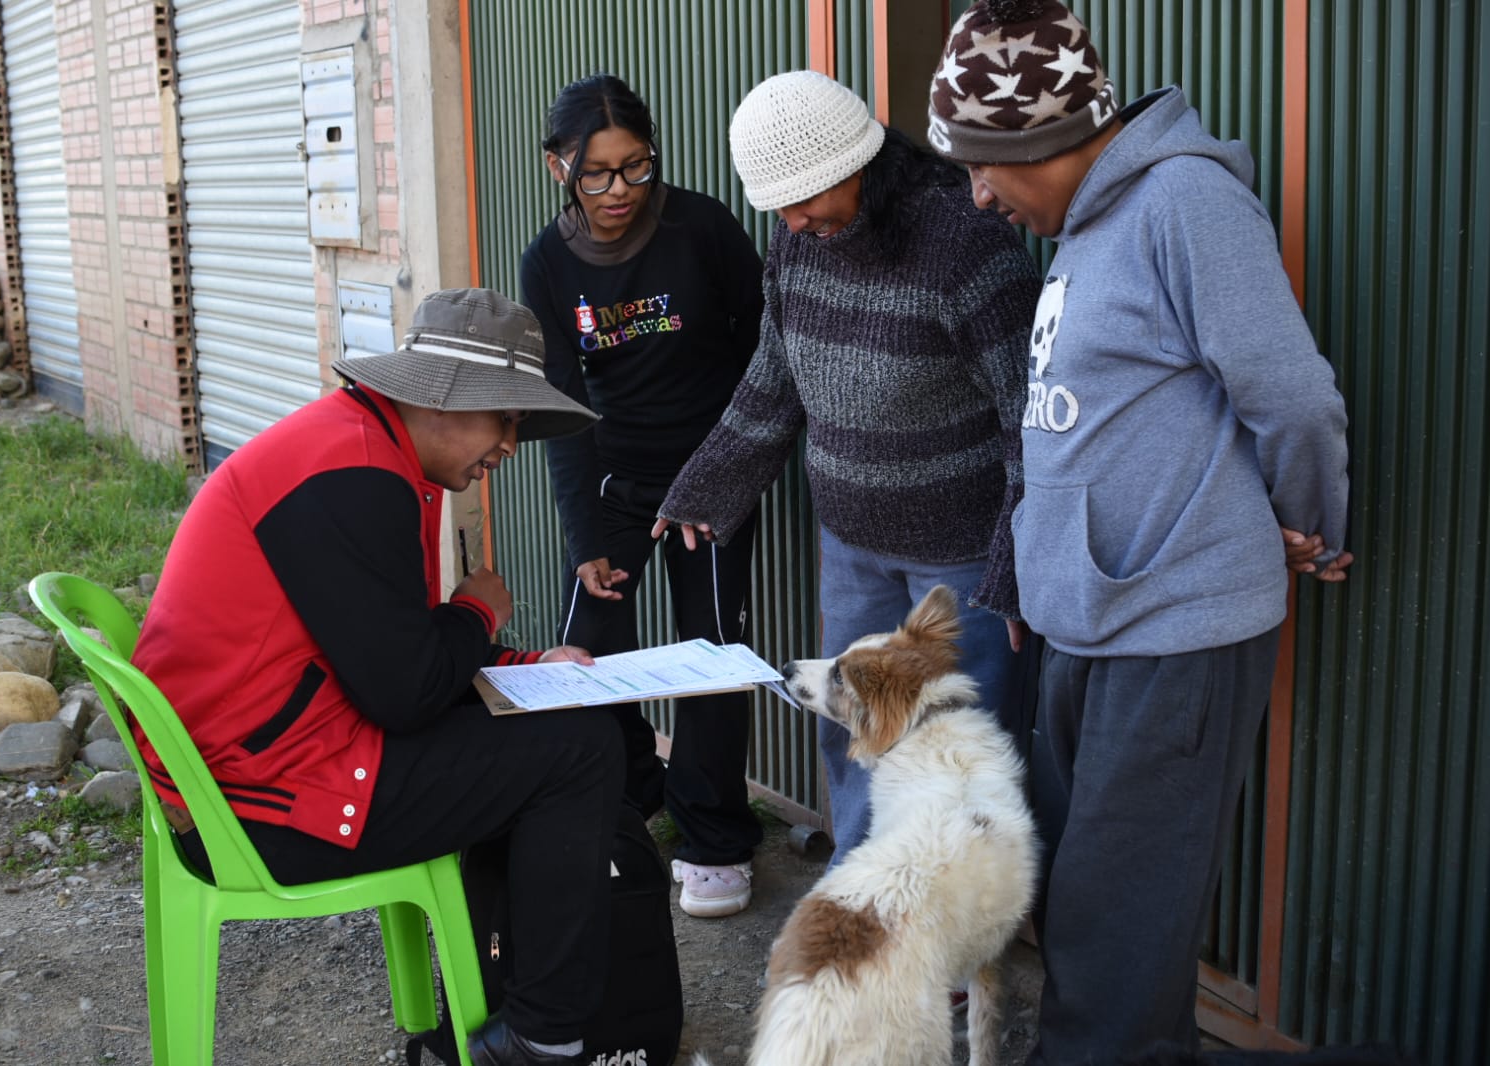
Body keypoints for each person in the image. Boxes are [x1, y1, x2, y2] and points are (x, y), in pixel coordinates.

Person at [926, 1, 1355, 1062]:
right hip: (1092, 622)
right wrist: (1038, 573)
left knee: (1115, 932)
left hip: (1175, 628)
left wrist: (1308, 522)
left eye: (985, 164)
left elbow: (1293, 397)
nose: (978, 194)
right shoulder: (1084, 227)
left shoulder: (1186, 205)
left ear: (1040, 140)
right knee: (1087, 906)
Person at [132, 288, 623, 1066]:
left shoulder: (357, 447)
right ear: (448, 400)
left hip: (263, 760)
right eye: (508, 418)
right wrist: (477, 612)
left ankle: (506, 1017)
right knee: (583, 750)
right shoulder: (355, 474)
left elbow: (385, 648)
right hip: (261, 807)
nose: (510, 446)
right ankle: (540, 1042)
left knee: (554, 736)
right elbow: (404, 692)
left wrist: (527, 666)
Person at [652, 70, 1041, 869]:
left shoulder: (964, 245)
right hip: (854, 550)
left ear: (857, 164)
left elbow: (1031, 419)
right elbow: (773, 378)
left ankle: (952, 941)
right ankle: (858, 889)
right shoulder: (797, 246)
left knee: (961, 753)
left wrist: (1011, 566)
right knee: (854, 734)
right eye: (780, 208)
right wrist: (707, 485)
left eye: (805, 201)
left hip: (963, 561)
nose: (792, 222)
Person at [519, 74, 767, 918]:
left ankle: (715, 839)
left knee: (711, 659)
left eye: (636, 168)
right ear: (558, 167)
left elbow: (762, 354)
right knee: (586, 654)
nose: (620, 191)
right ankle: (625, 801)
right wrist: (584, 533)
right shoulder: (547, 262)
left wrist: (727, 471)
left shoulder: (702, 228)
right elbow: (558, 398)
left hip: (711, 478)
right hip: (613, 482)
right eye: (598, 173)